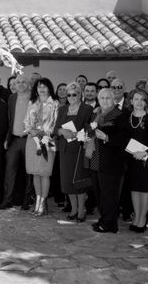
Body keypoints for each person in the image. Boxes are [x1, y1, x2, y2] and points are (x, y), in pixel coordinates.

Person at [89, 88, 130, 233]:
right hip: (96, 159)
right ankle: (104, 220)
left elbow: (125, 139)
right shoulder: (97, 114)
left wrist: (107, 138)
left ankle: (109, 224)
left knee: (109, 195)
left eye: (108, 98)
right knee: (99, 193)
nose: (105, 100)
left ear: (113, 100)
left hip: (112, 162)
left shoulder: (120, 115)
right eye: (102, 98)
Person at [54, 82, 94, 222]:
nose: (71, 97)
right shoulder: (62, 109)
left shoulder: (87, 109)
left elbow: (91, 130)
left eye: (74, 94)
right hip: (65, 150)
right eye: (68, 94)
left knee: (79, 181)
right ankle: (73, 209)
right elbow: (55, 129)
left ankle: (81, 210)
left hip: (79, 150)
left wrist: (77, 134)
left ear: (80, 94)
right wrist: (62, 131)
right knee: (67, 182)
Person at [126, 89, 148, 232]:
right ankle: (137, 216)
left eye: (142, 99)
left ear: (146, 102)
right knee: (134, 189)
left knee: (145, 190)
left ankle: (143, 218)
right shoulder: (127, 119)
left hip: (146, 160)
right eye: (136, 99)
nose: (139, 102)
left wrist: (144, 152)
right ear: (131, 101)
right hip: (131, 160)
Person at [0, 73, 32, 210]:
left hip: (29, 140)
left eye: (24, 82)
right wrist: (7, 138)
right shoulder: (12, 98)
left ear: (28, 84)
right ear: (15, 85)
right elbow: (9, 121)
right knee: (9, 171)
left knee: (28, 173)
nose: (21, 84)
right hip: (14, 140)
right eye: (18, 82)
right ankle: (8, 200)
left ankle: (26, 201)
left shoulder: (34, 99)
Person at [24, 78, 58, 216]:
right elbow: (26, 121)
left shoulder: (54, 103)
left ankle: (43, 205)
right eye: (39, 87)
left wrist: (43, 133)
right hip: (32, 140)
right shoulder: (32, 102)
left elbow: (55, 123)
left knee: (44, 173)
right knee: (35, 173)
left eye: (44, 87)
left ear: (49, 88)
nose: (42, 89)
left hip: (47, 140)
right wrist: (31, 130)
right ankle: (37, 203)